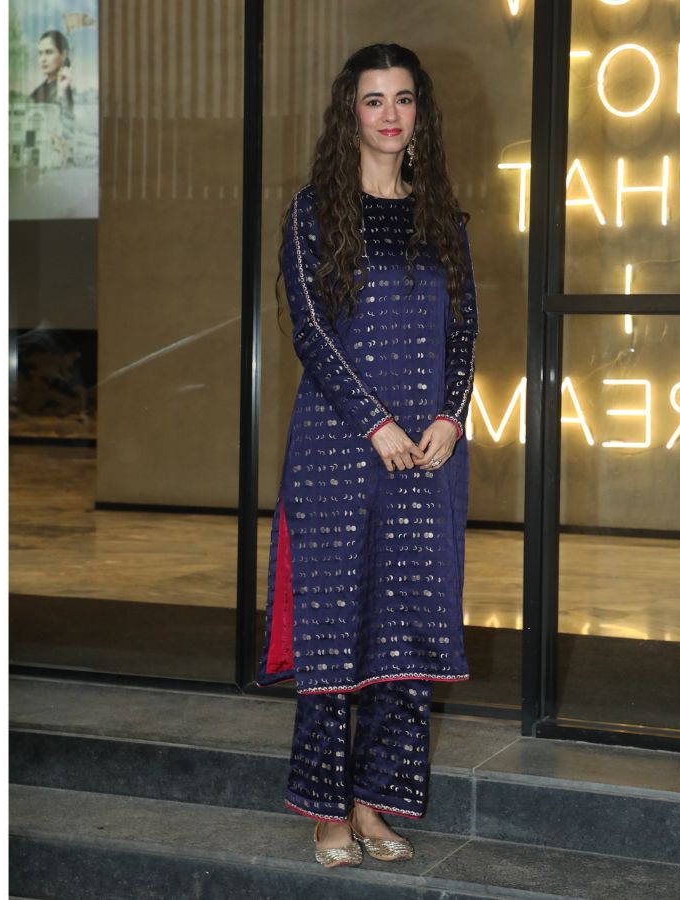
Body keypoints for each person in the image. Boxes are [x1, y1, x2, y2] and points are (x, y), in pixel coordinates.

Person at [255, 43, 479, 869]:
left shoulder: (442, 218)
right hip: (339, 450)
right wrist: (376, 423)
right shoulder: (313, 212)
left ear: (421, 113)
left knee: (405, 633)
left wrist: (451, 417)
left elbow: (465, 332)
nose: (390, 115)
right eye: (375, 99)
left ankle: (372, 801)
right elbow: (311, 331)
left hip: (426, 457)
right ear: (349, 111)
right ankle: (325, 809)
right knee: (333, 628)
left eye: (404, 99)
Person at [30, 30, 74, 115]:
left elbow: (66, 119)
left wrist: (61, 93)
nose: (43, 59)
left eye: (49, 52)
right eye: (40, 53)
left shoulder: (63, 88)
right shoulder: (39, 90)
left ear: (63, 55)